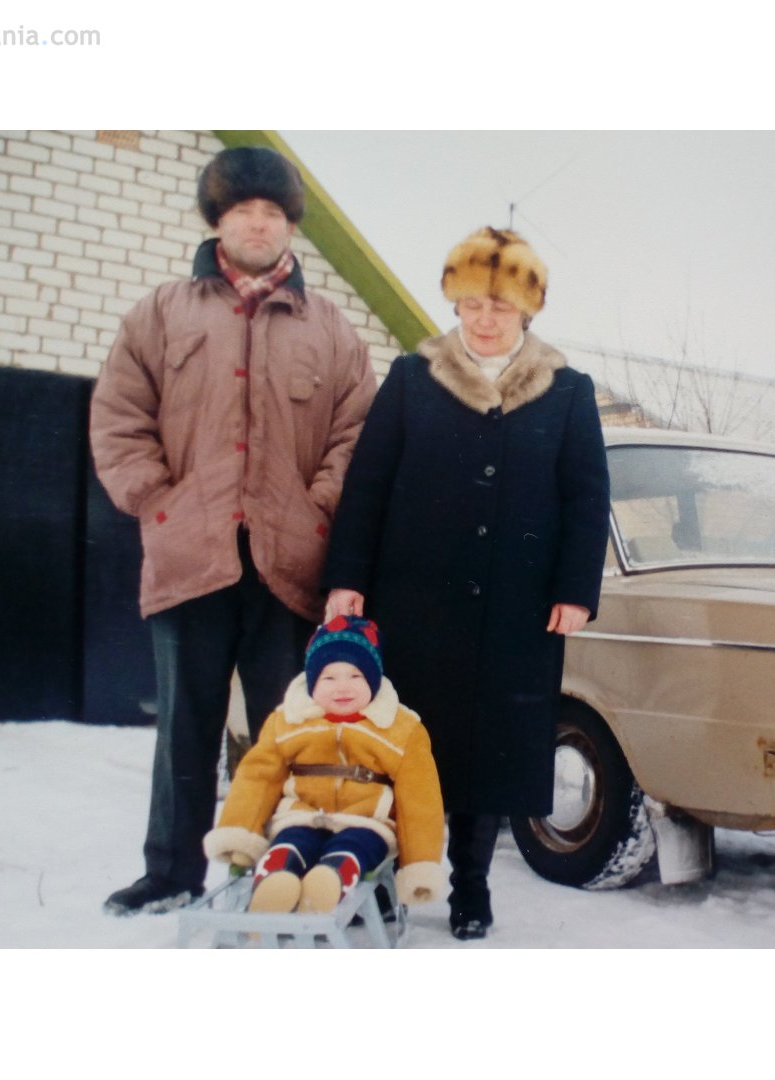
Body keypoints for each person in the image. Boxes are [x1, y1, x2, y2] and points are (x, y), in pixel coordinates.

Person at [90, 146, 377, 915]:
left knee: (288, 733)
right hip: (193, 558)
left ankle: (280, 869)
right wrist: (158, 501)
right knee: (185, 729)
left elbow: (357, 433)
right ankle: (170, 873)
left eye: (273, 212)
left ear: (290, 227)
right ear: (218, 220)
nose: (258, 223)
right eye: (243, 210)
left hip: (288, 564)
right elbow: (118, 418)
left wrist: (319, 506)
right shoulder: (161, 314)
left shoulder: (332, 330)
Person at [323, 226, 610, 940]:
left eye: (501, 306)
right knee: (402, 744)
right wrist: (348, 578)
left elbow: (586, 496)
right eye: (473, 304)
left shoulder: (568, 391)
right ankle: (388, 879)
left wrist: (575, 590)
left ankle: (471, 887)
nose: (485, 319)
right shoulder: (412, 379)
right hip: (415, 602)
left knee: (490, 754)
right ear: (455, 305)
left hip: (517, 609)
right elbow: (367, 484)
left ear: (527, 312)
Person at [202, 616, 445, 913]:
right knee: (290, 842)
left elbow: (420, 799)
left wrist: (420, 862)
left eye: (356, 676)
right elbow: (258, 778)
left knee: (353, 849)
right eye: (329, 678)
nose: (343, 687)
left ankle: (327, 883)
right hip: (300, 815)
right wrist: (240, 831)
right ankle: (274, 882)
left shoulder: (400, 728)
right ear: (312, 682)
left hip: (367, 822)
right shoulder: (289, 720)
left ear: (373, 680)